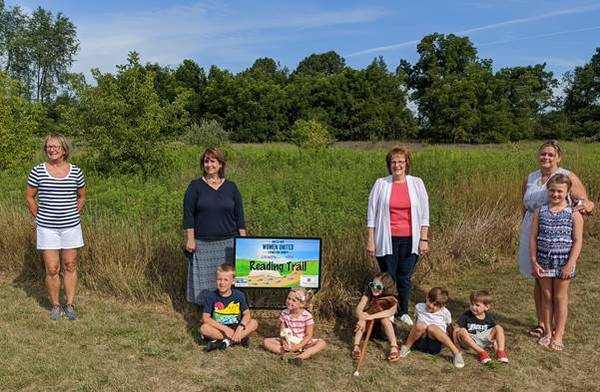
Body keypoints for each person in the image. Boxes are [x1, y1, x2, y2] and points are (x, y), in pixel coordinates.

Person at [518, 140, 594, 339]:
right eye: (543, 154)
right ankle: (542, 324)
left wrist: (582, 210)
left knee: (557, 289)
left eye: (551, 155)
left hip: (557, 233)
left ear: (558, 157)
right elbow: (524, 205)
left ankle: (556, 329)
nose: (546, 158)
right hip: (532, 229)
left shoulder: (566, 176)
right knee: (537, 277)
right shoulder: (531, 177)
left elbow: (586, 202)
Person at [25, 134, 86, 321]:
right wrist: (39, 217)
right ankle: (55, 306)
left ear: (64, 149)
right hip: (47, 229)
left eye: (55, 146)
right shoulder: (38, 171)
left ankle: (69, 304)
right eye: (49, 147)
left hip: (70, 228)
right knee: (52, 268)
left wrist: (73, 213)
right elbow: (29, 197)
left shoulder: (76, 172)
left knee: (70, 265)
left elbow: (82, 196)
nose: (51, 149)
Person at [367, 146, 430, 326]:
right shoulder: (381, 184)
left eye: (401, 161)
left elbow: (425, 213)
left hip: (411, 239)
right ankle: (388, 312)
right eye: (393, 162)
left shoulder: (417, 183)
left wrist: (423, 239)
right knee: (389, 277)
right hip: (386, 239)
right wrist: (371, 240)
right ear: (389, 164)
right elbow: (371, 215)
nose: (397, 165)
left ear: (407, 163)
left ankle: (402, 311)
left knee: (404, 277)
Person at [183, 147, 246, 306]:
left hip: (228, 243)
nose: (209, 164)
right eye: (206, 161)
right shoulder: (195, 186)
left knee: (226, 278)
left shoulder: (231, 187)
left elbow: (239, 215)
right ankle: (207, 311)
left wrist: (243, 240)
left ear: (220, 164)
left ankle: (228, 309)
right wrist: (191, 239)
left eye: (213, 161)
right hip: (203, 243)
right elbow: (188, 215)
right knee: (205, 280)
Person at [530, 174, 583, 351]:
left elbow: (577, 241)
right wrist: (534, 261)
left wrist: (570, 264)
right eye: (552, 190)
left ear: (567, 192)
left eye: (560, 191)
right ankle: (547, 332)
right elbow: (533, 237)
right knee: (546, 296)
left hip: (563, 261)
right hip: (543, 260)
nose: (555, 194)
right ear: (547, 190)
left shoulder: (573, 214)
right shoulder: (540, 211)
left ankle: (559, 334)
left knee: (560, 297)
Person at [398, 287, 464, 368]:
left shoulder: (445, 313)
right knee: (421, 325)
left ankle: (456, 353)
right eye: (430, 301)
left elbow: (449, 327)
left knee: (432, 328)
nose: (430, 305)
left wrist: (454, 341)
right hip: (420, 342)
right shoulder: (419, 307)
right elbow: (416, 324)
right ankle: (406, 347)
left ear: (442, 306)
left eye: (435, 305)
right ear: (427, 297)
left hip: (435, 344)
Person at [200, 263, 258, 351]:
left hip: (235, 327)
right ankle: (239, 338)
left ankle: (224, 342)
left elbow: (247, 314)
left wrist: (240, 328)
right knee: (204, 329)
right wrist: (225, 329)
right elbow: (205, 318)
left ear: (233, 281)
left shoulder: (239, 295)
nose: (222, 283)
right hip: (219, 328)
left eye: (226, 280)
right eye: (219, 279)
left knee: (254, 323)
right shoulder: (211, 296)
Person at [263, 287, 327, 365]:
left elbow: (308, 335)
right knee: (266, 342)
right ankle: (289, 352)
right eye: (288, 298)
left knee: (322, 343)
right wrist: (284, 343)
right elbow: (283, 332)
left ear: (302, 304)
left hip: (303, 343)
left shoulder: (307, 316)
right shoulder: (284, 313)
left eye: (293, 300)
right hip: (289, 340)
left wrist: (298, 346)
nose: (289, 302)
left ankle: (299, 357)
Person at [351, 272, 400, 362]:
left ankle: (394, 347)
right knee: (362, 317)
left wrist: (370, 316)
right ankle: (356, 346)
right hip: (368, 328)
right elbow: (358, 309)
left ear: (386, 288)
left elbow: (389, 312)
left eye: (378, 287)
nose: (374, 288)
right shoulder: (368, 295)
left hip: (384, 330)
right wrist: (362, 318)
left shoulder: (391, 299)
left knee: (384, 319)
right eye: (372, 284)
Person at [454, 290, 509, 364]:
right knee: (462, 330)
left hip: (483, 340)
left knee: (498, 327)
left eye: (477, 305)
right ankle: (482, 353)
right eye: (472, 304)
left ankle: (500, 351)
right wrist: (457, 346)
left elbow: (495, 334)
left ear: (486, 307)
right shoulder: (466, 315)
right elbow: (455, 330)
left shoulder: (488, 318)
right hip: (470, 341)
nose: (473, 307)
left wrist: (495, 346)